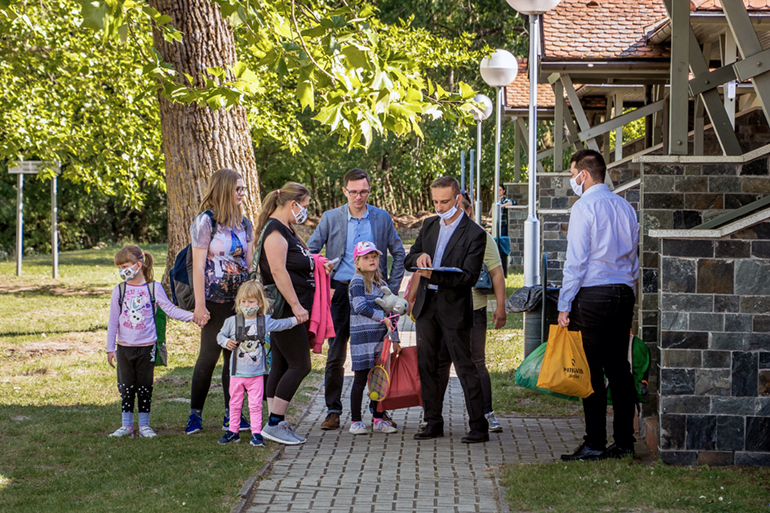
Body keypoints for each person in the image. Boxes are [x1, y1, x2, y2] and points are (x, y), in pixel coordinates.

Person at [308, 168, 405, 431]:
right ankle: (333, 411)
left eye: (363, 191)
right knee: (337, 353)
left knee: (378, 357)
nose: (358, 197)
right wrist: (322, 274)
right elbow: (310, 251)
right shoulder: (331, 218)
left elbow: (399, 253)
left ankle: (378, 412)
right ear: (345, 192)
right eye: (353, 192)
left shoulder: (382, 218)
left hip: (376, 294)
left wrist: (391, 290)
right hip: (341, 291)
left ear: (369, 190)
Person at [557, 149, 639, 461]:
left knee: (590, 371)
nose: (572, 180)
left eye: (572, 174)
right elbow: (632, 256)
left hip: (592, 295)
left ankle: (594, 442)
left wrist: (564, 304)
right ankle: (624, 442)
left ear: (584, 175)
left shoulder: (584, 207)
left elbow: (576, 261)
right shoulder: (624, 206)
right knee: (619, 369)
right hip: (622, 292)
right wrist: (627, 289)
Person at [404, 176, 489, 443]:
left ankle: (478, 425)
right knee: (427, 364)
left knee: (465, 366)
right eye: (435, 202)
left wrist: (432, 275)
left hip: (455, 307)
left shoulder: (475, 233)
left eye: (444, 202)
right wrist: (417, 258)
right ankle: (433, 422)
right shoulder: (429, 225)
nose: (439, 207)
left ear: (458, 199)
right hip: (427, 307)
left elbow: (469, 277)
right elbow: (409, 259)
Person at [186, 169, 254, 435]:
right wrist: (199, 305)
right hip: (214, 301)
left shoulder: (244, 223)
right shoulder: (205, 222)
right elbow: (199, 267)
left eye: (243, 188)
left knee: (235, 358)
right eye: (237, 189)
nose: (242, 193)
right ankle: (195, 415)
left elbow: (249, 265)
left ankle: (232, 414)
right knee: (209, 356)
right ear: (224, 189)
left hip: (239, 303)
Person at [107, 245, 196, 438]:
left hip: (147, 347)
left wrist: (194, 317)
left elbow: (170, 310)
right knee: (126, 386)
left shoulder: (153, 288)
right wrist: (109, 348)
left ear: (139, 265)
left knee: (145, 386)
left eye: (126, 265)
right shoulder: (119, 291)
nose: (123, 271)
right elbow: (113, 321)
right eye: (119, 267)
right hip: (124, 348)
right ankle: (127, 426)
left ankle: (145, 425)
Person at [436, 192, 507, 433]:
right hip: (445, 310)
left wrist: (500, 306)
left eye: (463, 210)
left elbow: (496, 272)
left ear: (468, 212)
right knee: (441, 362)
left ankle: (486, 413)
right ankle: (433, 415)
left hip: (473, 310)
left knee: (476, 362)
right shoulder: (441, 233)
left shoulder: (481, 237)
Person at [255, 182, 316, 445]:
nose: (305, 211)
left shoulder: (286, 229)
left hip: (290, 308)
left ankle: (274, 421)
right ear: (293, 204)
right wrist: (296, 306)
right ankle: (274, 423)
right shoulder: (275, 231)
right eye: (304, 206)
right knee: (300, 365)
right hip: (285, 310)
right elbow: (278, 272)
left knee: (280, 363)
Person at [216, 281, 299, 447]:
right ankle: (233, 431)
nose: (247, 305)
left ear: (259, 303)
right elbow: (220, 336)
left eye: (251, 302)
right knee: (235, 403)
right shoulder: (232, 321)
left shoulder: (264, 321)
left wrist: (298, 319)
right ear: (239, 302)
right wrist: (226, 342)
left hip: (256, 374)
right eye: (244, 301)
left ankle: (256, 433)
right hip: (237, 373)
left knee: (255, 405)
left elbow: (282, 325)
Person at [347, 241, 402, 435]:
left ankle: (378, 418)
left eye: (374, 256)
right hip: (362, 341)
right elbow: (359, 307)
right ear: (357, 262)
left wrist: (395, 338)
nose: (371, 260)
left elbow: (392, 311)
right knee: (361, 379)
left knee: (379, 380)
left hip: (380, 341)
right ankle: (355, 421)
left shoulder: (382, 284)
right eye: (366, 257)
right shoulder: (357, 281)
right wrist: (382, 318)